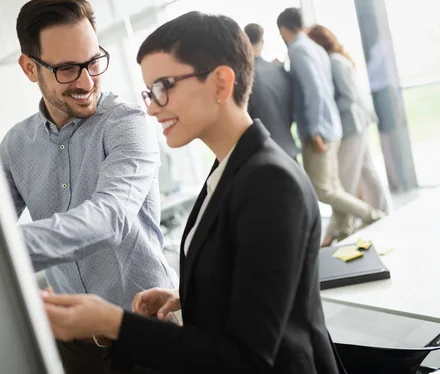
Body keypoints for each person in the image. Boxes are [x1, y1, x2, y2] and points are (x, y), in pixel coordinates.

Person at [41, 12, 342, 374]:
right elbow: (254, 288)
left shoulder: (270, 184)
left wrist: (113, 323)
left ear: (220, 83)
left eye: (163, 87)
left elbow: (247, 358)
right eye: (148, 92)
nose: (152, 106)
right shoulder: (229, 169)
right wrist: (191, 300)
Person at [0, 0, 178, 372]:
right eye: (66, 69)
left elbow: (110, 217)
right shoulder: (16, 146)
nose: (86, 81)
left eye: (93, 61)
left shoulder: (126, 124)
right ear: (30, 68)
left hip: (147, 332)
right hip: (74, 349)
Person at [277, 7, 385, 240]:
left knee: (324, 189)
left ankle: (371, 215)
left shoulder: (297, 50)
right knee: (336, 185)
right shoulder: (316, 49)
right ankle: (345, 232)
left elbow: (314, 89)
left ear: (283, 30)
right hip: (333, 126)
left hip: (320, 129)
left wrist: (315, 129)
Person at [307, 24, 390, 246]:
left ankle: (341, 227)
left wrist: (330, 108)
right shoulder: (338, 59)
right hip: (357, 124)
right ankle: (381, 213)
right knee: (365, 170)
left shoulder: (334, 62)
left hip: (351, 125)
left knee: (346, 178)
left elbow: (348, 97)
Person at [244, 23, 299, 160]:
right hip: (289, 150)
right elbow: (294, 109)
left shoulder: (244, 78)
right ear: (262, 43)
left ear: (243, 43)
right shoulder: (279, 70)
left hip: (262, 155)